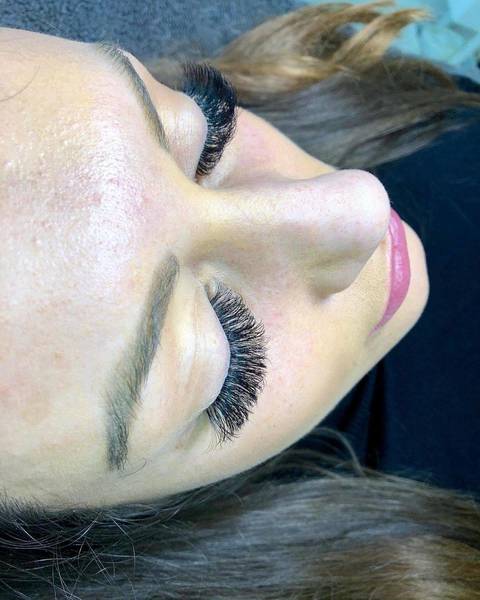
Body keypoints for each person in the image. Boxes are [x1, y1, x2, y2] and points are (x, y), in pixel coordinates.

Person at [0, 1, 479, 597]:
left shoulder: (311, 79)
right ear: (87, 530)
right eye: (224, 348)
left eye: (206, 138)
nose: (359, 203)